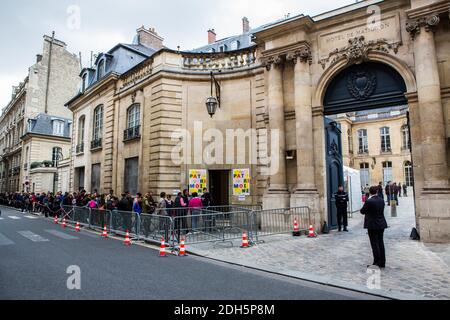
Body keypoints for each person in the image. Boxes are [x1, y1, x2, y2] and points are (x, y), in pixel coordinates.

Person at [360, 186, 388, 269]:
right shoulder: (381, 200)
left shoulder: (369, 201)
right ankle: (382, 262)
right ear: (376, 192)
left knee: (374, 244)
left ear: (370, 192)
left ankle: (376, 262)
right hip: (381, 224)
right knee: (380, 243)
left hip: (372, 225)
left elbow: (362, 211)